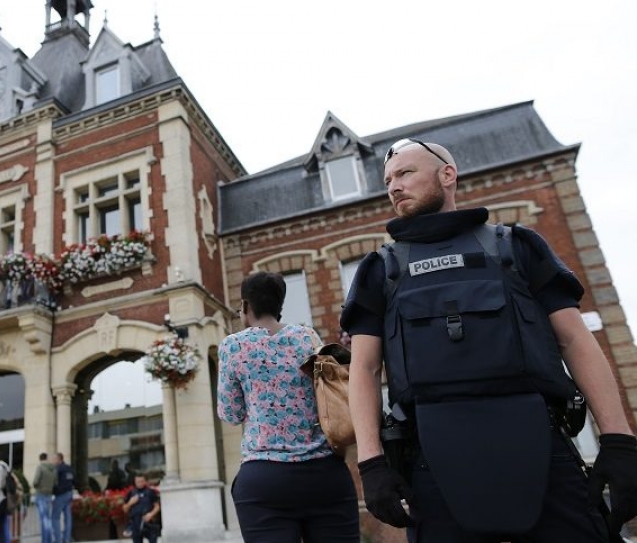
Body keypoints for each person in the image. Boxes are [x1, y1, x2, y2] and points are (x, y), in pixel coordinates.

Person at [341, 138, 637, 542]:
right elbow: (364, 368)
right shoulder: (379, 269)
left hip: (542, 450)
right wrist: (371, 463)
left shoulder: (517, 247)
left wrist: (618, 440)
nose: (394, 186)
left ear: (448, 175)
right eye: (388, 180)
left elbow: (574, 340)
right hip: (433, 461)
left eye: (405, 173)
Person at [217, 271, 360, 543]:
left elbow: (231, 414)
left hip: (264, 479)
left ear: (245, 306)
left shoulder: (233, 346)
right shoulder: (307, 337)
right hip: (324, 473)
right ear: (279, 305)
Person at [121, 474, 161, 543]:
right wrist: (130, 503)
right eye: (138, 481)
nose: (140, 483)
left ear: (145, 481)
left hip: (149, 522)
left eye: (142, 481)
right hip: (136, 523)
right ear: (135, 482)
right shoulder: (131, 493)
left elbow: (157, 507)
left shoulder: (150, 492)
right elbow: (124, 509)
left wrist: (151, 514)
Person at [32, 452, 57, 543]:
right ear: (46, 458)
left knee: (44, 519)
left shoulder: (40, 467)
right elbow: (55, 483)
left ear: (40, 459)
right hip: (49, 495)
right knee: (47, 518)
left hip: (41, 494)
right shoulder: (53, 468)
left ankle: (46, 540)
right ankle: (48, 540)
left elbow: (35, 481)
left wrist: (37, 486)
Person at [51, 452, 75, 543]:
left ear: (59, 459)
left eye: (54, 459)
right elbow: (74, 480)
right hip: (69, 493)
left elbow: (54, 482)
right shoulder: (69, 468)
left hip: (60, 495)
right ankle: (66, 539)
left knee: (55, 517)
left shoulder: (58, 469)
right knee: (68, 517)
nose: (53, 461)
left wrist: (53, 491)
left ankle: (58, 539)